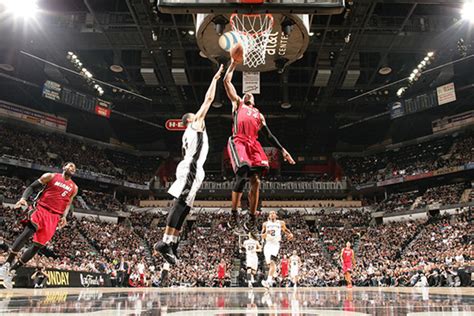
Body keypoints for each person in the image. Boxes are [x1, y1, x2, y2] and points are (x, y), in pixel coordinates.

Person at [154, 65, 224, 265]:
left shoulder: (187, 134)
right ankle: (164, 242)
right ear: (190, 120)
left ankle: (173, 243)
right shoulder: (195, 125)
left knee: (186, 208)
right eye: (196, 115)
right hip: (191, 167)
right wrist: (215, 79)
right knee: (181, 203)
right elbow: (208, 100)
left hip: (192, 167)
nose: (200, 116)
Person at [223, 61, 295, 231]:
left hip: (253, 144)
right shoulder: (237, 104)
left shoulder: (259, 115)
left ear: (254, 100)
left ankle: (252, 217)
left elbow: (268, 135)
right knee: (243, 170)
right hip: (238, 141)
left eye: (250, 94)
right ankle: (234, 213)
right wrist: (233, 64)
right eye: (245, 93)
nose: (247, 94)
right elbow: (227, 81)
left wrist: (282, 150)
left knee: (256, 181)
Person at [0, 162, 78, 289]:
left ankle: (12, 271)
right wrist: (23, 198)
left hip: (54, 217)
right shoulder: (51, 176)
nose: (72, 168)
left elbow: (68, 203)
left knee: (37, 246)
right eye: (70, 166)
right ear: (63, 167)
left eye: (74, 168)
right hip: (41, 208)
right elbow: (31, 187)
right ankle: (7, 263)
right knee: (28, 232)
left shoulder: (74, 188)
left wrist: (64, 216)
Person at [261, 211, 293, 289]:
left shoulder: (281, 223)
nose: (272, 214)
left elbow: (285, 230)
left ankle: (268, 282)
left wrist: (290, 234)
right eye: (270, 213)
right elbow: (262, 235)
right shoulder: (265, 224)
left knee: (272, 263)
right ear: (269, 216)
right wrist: (265, 234)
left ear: (276, 215)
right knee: (269, 265)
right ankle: (274, 273)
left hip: (275, 244)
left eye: (273, 213)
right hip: (267, 244)